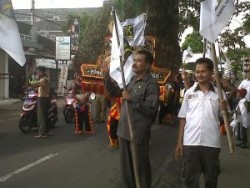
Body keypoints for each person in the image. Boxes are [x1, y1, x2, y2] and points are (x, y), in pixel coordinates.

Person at [104, 49, 160, 188]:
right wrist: (106, 76)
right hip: (124, 131)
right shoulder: (132, 80)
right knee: (127, 170)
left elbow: (151, 110)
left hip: (137, 133)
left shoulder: (151, 84)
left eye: (139, 61)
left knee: (140, 169)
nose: (134, 63)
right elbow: (116, 93)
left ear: (147, 65)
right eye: (134, 60)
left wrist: (132, 99)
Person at [175, 58, 228, 188]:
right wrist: (179, 142)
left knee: (211, 179)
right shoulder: (189, 93)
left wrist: (225, 109)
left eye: (203, 71)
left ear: (211, 73)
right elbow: (183, 118)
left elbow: (225, 118)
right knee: (190, 180)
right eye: (197, 71)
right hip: (190, 143)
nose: (199, 74)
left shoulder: (219, 94)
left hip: (211, 144)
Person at [28, 66, 50, 139]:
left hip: (43, 99)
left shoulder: (44, 79)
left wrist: (30, 78)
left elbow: (35, 83)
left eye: (39, 71)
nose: (38, 73)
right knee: (44, 115)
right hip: (44, 98)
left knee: (41, 116)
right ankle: (45, 131)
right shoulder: (44, 79)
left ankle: (42, 133)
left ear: (43, 72)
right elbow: (38, 87)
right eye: (38, 71)